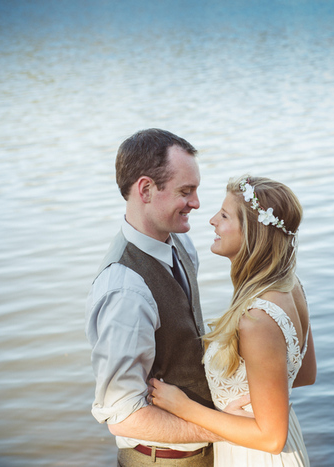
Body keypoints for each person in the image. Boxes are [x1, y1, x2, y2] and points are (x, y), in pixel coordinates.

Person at [149, 175, 317, 466]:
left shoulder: (256, 320)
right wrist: (254, 403)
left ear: (251, 233)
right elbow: (304, 373)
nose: (212, 220)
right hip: (278, 442)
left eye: (224, 215)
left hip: (255, 455)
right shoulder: (291, 285)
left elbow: (271, 439)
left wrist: (184, 407)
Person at [85, 129, 220, 466]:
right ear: (145, 189)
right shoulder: (125, 290)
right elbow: (123, 415)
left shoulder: (181, 243)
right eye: (185, 192)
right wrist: (228, 430)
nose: (196, 203)